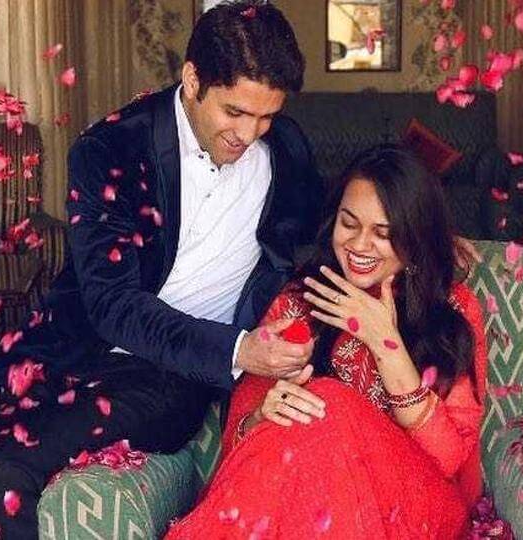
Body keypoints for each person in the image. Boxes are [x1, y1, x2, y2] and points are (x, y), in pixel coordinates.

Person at [0, 3, 323, 539]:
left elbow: (319, 240)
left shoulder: (286, 151)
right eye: (234, 112)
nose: (248, 133)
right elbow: (113, 304)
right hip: (70, 347)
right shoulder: (111, 148)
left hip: (169, 374)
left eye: (265, 117)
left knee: (4, 472)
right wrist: (239, 350)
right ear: (193, 79)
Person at [165, 145, 488, 539]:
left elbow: (448, 457)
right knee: (312, 417)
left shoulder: (451, 308)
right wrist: (264, 414)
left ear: (415, 238)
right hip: (308, 510)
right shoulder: (299, 302)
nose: (360, 245)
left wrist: (384, 342)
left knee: (328, 401)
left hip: (419, 508)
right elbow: (242, 444)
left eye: (383, 233)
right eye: (348, 224)